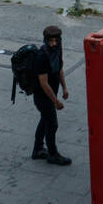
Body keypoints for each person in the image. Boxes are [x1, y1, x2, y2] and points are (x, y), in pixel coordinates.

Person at [29, 25, 72, 166]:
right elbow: (44, 83)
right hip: (43, 97)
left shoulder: (57, 51)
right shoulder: (42, 57)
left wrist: (64, 87)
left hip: (51, 94)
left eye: (55, 41)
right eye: (50, 41)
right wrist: (55, 101)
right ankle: (53, 154)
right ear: (45, 40)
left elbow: (59, 69)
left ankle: (37, 149)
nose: (53, 44)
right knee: (52, 125)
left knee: (45, 120)